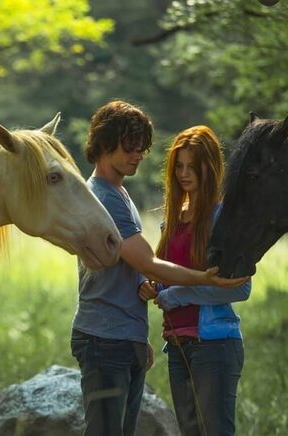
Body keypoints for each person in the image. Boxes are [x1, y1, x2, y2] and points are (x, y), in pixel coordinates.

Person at [71, 102, 247, 436]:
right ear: (105, 143)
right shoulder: (108, 200)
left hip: (195, 342)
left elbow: (238, 286)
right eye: (130, 147)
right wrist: (178, 285)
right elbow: (150, 264)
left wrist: (150, 313)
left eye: (142, 148)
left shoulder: (123, 195)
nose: (138, 154)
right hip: (121, 340)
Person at [138, 125, 252, 436]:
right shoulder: (173, 218)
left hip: (213, 346)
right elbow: (171, 274)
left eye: (193, 166)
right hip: (175, 345)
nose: (184, 174)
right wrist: (154, 286)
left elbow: (241, 286)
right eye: (179, 166)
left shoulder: (223, 218)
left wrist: (178, 296)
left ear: (210, 167)